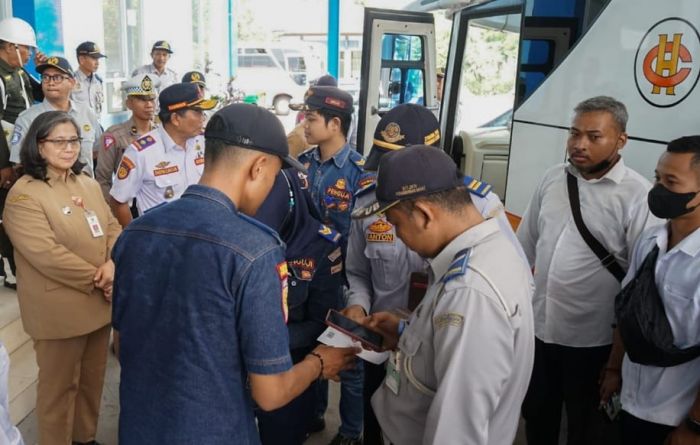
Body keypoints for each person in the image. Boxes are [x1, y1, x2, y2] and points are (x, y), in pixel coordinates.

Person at [111, 103, 357, 443]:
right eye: (273, 177)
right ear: (259, 168)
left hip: (139, 428)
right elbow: (270, 392)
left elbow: (122, 347)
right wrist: (320, 361)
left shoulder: (136, 233)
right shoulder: (255, 250)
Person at [344, 103, 527, 444]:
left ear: (426, 214)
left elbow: (456, 431)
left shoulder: (470, 294)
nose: (397, 235)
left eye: (396, 224)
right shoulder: (478, 250)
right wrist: (403, 330)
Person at [517, 96, 660, 445]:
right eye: (575, 133)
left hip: (592, 343)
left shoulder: (638, 197)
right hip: (539, 332)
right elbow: (523, 248)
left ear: (620, 140)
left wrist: (615, 363)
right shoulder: (553, 179)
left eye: (594, 136)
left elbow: (639, 286)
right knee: (537, 418)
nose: (580, 144)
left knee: (584, 430)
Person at [3, 110, 120, 445]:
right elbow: (46, 254)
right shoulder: (26, 194)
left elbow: (112, 227)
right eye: (58, 141)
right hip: (59, 311)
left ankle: (85, 439)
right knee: (59, 390)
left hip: (98, 306)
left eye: (73, 140)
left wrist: (113, 264)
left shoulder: (86, 183)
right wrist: (101, 277)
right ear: (39, 147)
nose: (68, 148)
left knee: (91, 383)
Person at [601, 136, 700, 445]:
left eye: (671, 181)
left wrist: (694, 426)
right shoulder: (649, 242)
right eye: (658, 177)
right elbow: (627, 312)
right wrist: (614, 369)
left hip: (675, 417)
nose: (658, 189)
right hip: (630, 402)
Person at [294, 85, 371, 444]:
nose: (304, 124)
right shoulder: (303, 165)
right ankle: (313, 416)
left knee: (347, 358)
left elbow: (363, 236)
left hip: (342, 280)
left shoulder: (360, 173)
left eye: (310, 118)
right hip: (304, 278)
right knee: (313, 347)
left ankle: (352, 431)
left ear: (335, 123)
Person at [253, 168, 345, 445]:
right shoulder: (239, 232)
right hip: (234, 371)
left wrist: (259, 342)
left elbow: (322, 322)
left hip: (291, 368)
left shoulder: (321, 246)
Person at [108, 82, 216, 227]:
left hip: (201, 234)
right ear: (176, 119)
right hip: (161, 243)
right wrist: (135, 239)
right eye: (198, 112)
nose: (203, 118)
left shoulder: (204, 143)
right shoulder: (140, 152)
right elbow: (118, 201)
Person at [0, 17, 46, 287]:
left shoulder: (19, 72)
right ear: (10, 47)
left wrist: (42, 68)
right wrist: (4, 164)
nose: (29, 53)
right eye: (26, 48)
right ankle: (10, 269)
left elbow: (41, 94)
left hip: (21, 153)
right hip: (7, 156)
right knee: (7, 212)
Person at [9, 56, 102, 177]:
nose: (50, 82)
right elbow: (19, 163)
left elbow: (97, 150)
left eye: (57, 77)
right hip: (46, 191)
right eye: (45, 77)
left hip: (83, 189)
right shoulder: (27, 118)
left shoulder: (86, 113)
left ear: (72, 83)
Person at [95, 73, 158, 202]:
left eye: (152, 99)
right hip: (128, 205)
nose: (149, 105)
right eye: (142, 99)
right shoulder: (114, 135)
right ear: (129, 103)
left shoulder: (162, 133)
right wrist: (113, 212)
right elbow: (103, 179)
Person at [71, 41, 106, 116]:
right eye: (94, 58)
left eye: (98, 59)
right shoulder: (70, 81)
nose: (97, 63)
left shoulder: (98, 81)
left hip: (95, 125)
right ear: (82, 60)